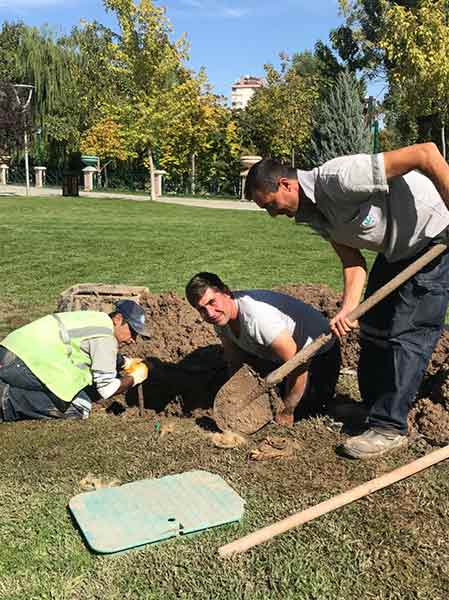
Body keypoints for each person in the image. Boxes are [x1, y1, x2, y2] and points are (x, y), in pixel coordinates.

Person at [244, 142, 449, 458]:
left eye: (271, 204)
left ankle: (390, 428)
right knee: (374, 330)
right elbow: (353, 263)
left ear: (285, 184)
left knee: (407, 336)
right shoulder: (314, 215)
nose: (273, 214)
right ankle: (372, 410)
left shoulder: (339, 178)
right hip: (396, 252)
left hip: (434, 237)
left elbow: (426, 154)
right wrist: (348, 308)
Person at [185, 272, 341, 425]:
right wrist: (236, 396)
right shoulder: (220, 319)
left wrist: (287, 411)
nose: (210, 313)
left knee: (306, 411)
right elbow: (235, 360)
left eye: (212, 302)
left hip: (318, 356)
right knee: (270, 399)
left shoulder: (258, 319)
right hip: (278, 356)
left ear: (226, 292)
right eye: (202, 309)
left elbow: (298, 364)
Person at [0, 300, 150, 422]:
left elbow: (89, 349)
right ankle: (7, 401)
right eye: (132, 331)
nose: (133, 340)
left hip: (12, 351)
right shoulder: (106, 338)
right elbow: (107, 389)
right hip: (22, 363)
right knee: (81, 406)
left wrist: (125, 362)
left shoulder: (97, 320)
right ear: (118, 319)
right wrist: (134, 378)